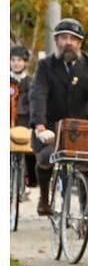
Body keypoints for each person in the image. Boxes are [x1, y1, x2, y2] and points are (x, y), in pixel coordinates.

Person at [30, 20, 88, 219]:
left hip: (81, 128)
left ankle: (85, 215)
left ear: (80, 43)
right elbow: (38, 94)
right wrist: (40, 126)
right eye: (63, 38)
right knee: (44, 159)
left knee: (86, 166)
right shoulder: (45, 65)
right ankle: (44, 198)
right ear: (56, 41)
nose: (67, 42)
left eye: (72, 39)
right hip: (51, 127)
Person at [10, 45, 36, 199]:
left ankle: (25, 182)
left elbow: (35, 101)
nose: (16, 63)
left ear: (25, 62)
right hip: (9, 119)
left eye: (19, 60)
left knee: (27, 153)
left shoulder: (31, 81)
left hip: (25, 120)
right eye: (13, 60)